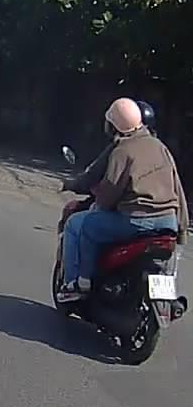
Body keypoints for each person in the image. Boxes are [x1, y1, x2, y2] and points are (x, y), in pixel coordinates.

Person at [57, 98, 188, 303]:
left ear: (113, 125)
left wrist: (96, 199)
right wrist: (181, 230)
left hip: (136, 221)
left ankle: (79, 284)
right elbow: (178, 190)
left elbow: (107, 197)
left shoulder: (121, 150)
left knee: (79, 224)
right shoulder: (160, 147)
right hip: (168, 221)